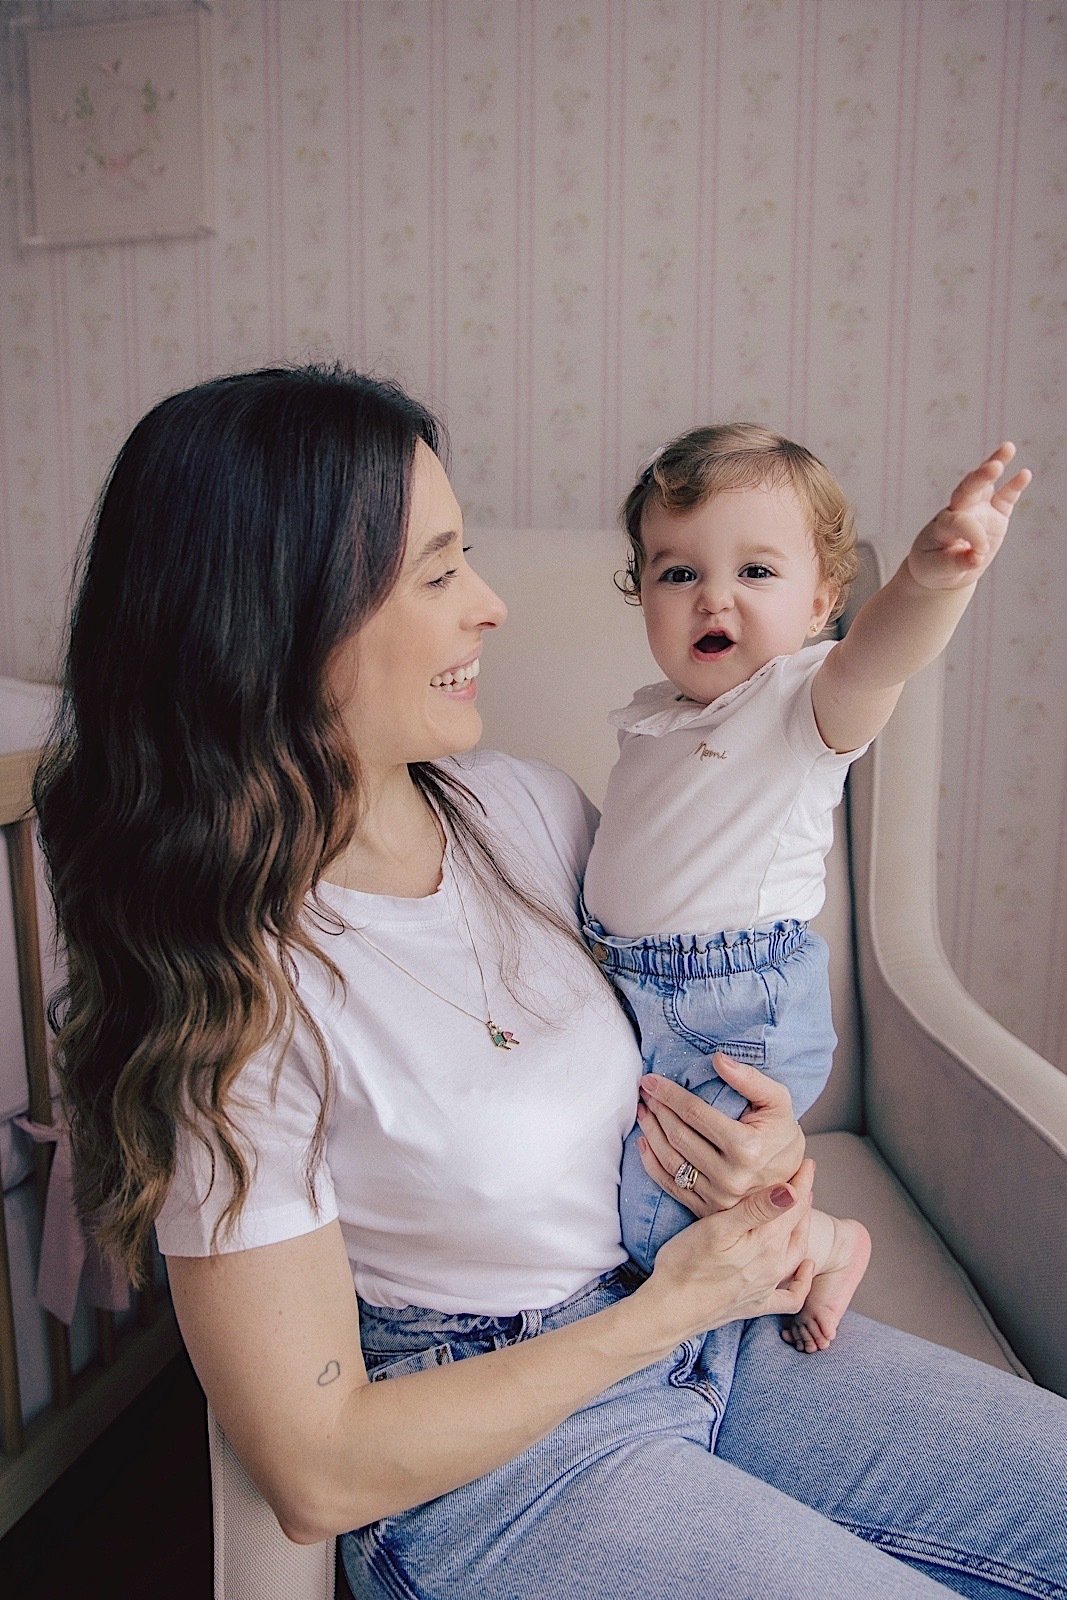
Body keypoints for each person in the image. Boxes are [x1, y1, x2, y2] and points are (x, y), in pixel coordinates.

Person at [32, 366, 1066, 1600]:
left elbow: (679, 1028)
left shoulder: (523, 808)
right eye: (437, 570)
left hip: (709, 1333)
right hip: (506, 1447)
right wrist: (660, 1312)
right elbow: (313, 1466)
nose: (491, 607)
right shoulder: (227, 988)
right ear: (280, 618)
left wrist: (763, 1152)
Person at [581, 422, 1031, 1353]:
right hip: (641, 994)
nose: (713, 597)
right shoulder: (656, 720)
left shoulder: (801, 702)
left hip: (736, 1003)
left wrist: (929, 580)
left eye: (755, 572)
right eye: (677, 574)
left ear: (821, 602)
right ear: (643, 597)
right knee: (636, 1193)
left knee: (670, 1223)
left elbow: (881, 657)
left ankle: (819, 1247)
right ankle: (789, 1258)